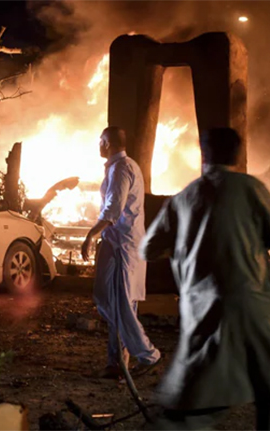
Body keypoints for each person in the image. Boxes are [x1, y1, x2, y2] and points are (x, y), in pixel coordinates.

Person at [141, 127, 270, 430]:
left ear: (204, 153)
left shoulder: (183, 198)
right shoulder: (251, 188)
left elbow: (148, 248)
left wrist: (184, 250)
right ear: (237, 155)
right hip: (256, 310)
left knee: (195, 400)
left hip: (205, 313)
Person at [81, 126, 162, 379]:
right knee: (118, 303)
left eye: (101, 141)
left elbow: (113, 209)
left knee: (114, 302)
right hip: (125, 244)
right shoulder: (123, 167)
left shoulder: (121, 169)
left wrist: (91, 235)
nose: (99, 145)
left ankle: (148, 355)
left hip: (120, 245)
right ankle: (117, 363)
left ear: (107, 143)